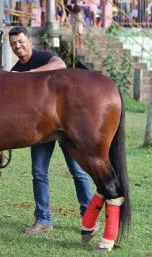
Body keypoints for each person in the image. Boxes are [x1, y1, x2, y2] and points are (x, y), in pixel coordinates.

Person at [8, 26, 93, 233]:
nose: (17, 46)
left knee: (78, 171)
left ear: (29, 41)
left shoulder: (43, 57)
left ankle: (89, 218)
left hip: (64, 124)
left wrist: (30, 74)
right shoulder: (14, 71)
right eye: (13, 44)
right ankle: (43, 220)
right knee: (38, 172)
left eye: (20, 41)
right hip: (40, 130)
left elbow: (60, 64)